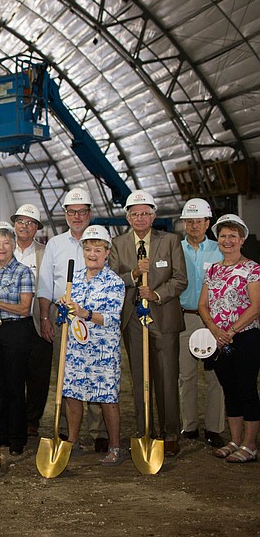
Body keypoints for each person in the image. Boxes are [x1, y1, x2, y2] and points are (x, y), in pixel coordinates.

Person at [109, 190, 187, 457]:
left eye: (145, 213)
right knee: (140, 377)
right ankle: (145, 430)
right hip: (133, 318)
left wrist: (156, 294)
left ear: (154, 216)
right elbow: (114, 279)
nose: (140, 218)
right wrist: (133, 274)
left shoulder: (171, 241)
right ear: (128, 217)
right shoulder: (118, 244)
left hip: (164, 316)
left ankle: (170, 432)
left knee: (166, 376)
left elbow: (180, 279)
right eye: (135, 214)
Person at [37, 187, 109, 451]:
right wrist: (45, 317)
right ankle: (70, 430)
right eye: (72, 212)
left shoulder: (102, 240)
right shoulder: (55, 244)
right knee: (70, 375)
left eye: (82, 212)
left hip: (93, 316)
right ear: (65, 215)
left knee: (96, 371)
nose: (77, 217)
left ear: (90, 213)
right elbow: (45, 285)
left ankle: (98, 430)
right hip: (64, 315)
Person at [58, 225, 126, 465]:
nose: (92, 254)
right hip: (76, 349)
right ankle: (73, 442)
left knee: (107, 398)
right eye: (88, 249)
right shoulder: (73, 279)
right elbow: (67, 310)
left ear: (107, 252)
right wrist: (64, 307)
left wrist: (84, 312)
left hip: (103, 350)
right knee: (73, 395)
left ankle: (116, 447)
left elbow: (111, 318)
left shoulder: (114, 283)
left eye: (98, 249)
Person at [199, 214, 260, 463]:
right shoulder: (213, 269)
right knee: (230, 390)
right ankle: (235, 440)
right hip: (220, 339)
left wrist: (231, 331)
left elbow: (256, 306)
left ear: (242, 239)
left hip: (245, 336)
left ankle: (250, 444)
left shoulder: (252, 269)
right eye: (223, 236)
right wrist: (214, 330)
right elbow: (203, 304)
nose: (227, 240)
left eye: (232, 236)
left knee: (247, 389)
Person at [0, 222, 34, 455]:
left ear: (13, 246)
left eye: (6, 243)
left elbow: (24, 308)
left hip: (16, 331)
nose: (1, 247)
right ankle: (1, 433)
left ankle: (17, 437)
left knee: (14, 385)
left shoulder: (23, 272)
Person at [177, 198, 225, 447]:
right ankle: (190, 426)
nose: (194, 225)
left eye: (199, 221)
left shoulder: (220, 250)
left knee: (215, 375)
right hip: (184, 318)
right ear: (184, 223)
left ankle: (214, 428)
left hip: (213, 321)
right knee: (186, 375)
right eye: (189, 221)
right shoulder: (175, 249)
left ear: (208, 223)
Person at [11, 204, 53, 437]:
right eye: (20, 221)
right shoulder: (3, 249)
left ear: (37, 228)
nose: (24, 226)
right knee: (13, 372)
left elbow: (48, 287)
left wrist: (46, 317)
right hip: (9, 321)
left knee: (38, 373)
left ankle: (32, 420)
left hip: (37, 320)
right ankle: (14, 416)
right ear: (14, 225)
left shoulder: (46, 253)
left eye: (30, 223)